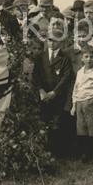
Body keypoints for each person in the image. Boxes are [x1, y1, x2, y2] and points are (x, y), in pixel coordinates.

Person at [34, 28, 74, 158]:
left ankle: (57, 153)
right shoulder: (40, 56)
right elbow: (36, 76)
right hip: (42, 96)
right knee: (43, 122)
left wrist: (54, 92)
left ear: (61, 42)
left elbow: (66, 77)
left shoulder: (64, 58)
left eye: (56, 41)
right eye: (50, 40)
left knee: (57, 124)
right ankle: (44, 152)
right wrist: (41, 90)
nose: (52, 43)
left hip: (58, 96)